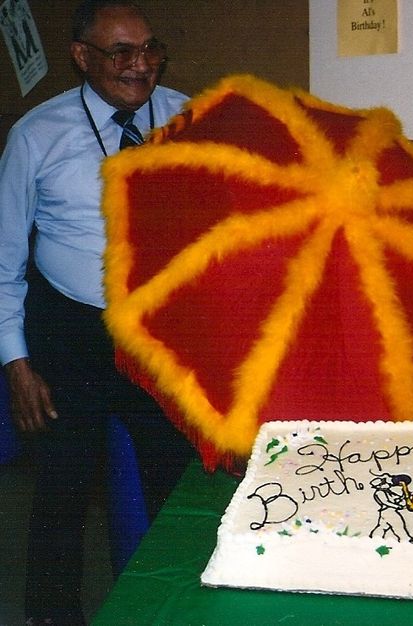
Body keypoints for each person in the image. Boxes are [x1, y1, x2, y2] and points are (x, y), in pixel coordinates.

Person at [0, 1, 194, 623]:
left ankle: (177, 604)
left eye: (149, 49)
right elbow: (4, 256)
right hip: (71, 329)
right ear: (81, 57)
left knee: (179, 480)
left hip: (159, 331)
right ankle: (51, 614)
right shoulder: (36, 134)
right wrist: (17, 364)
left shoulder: (189, 117)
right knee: (64, 484)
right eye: (121, 53)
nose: (141, 66)